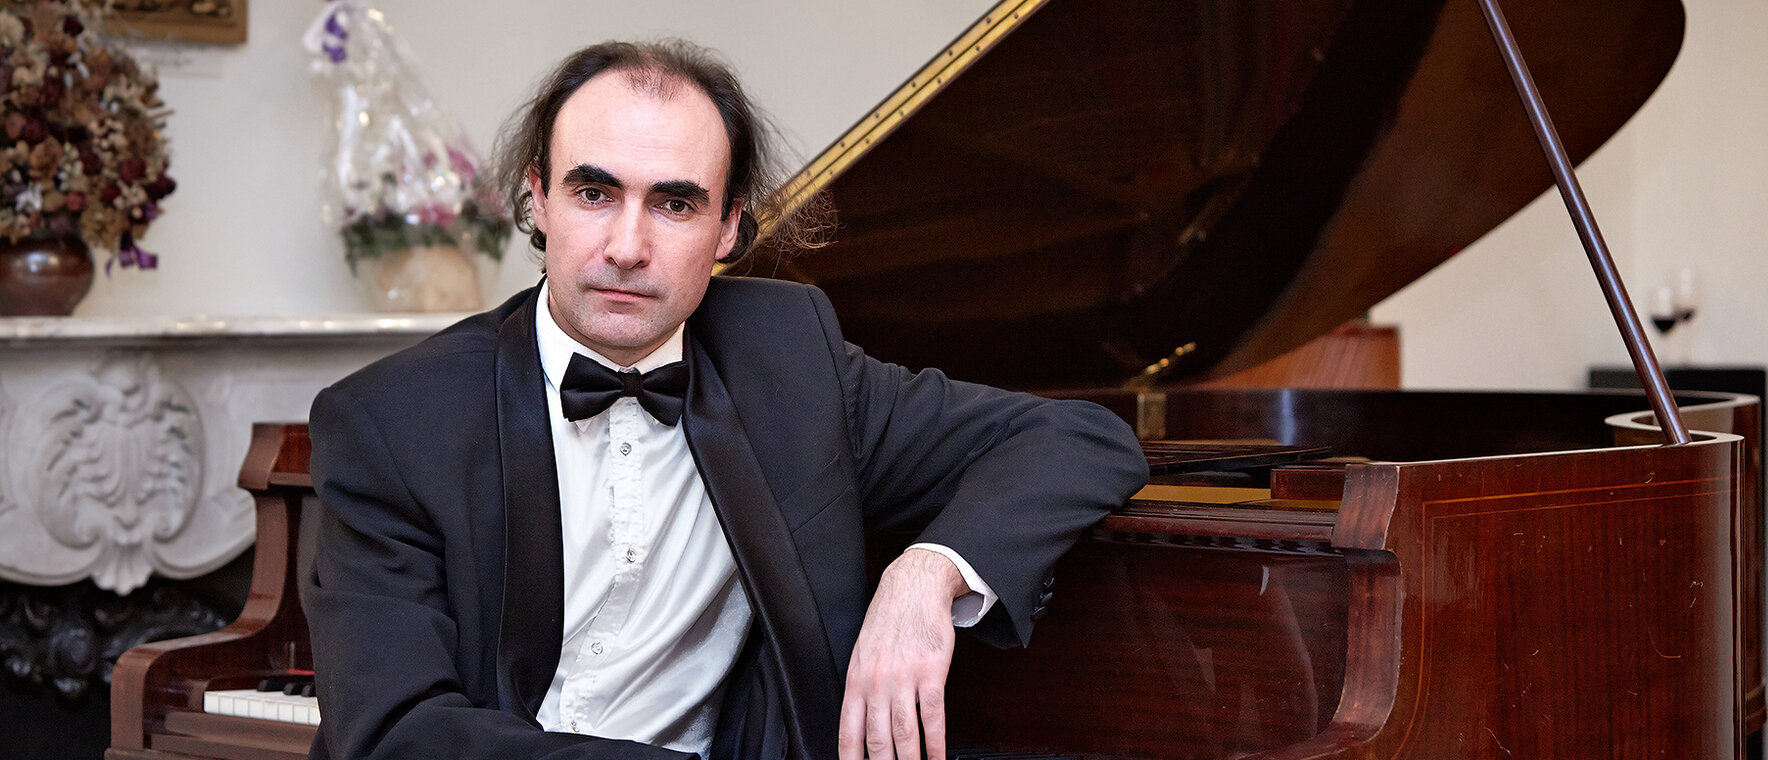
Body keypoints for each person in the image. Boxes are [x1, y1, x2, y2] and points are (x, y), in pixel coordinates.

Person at [303, 39, 1147, 760]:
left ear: (731, 227)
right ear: (538, 198)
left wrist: (928, 571)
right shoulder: (393, 421)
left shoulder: (790, 363)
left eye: (674, 204)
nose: (627, 247)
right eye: (595, 193)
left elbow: (1080, 438)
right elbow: (393, 732)